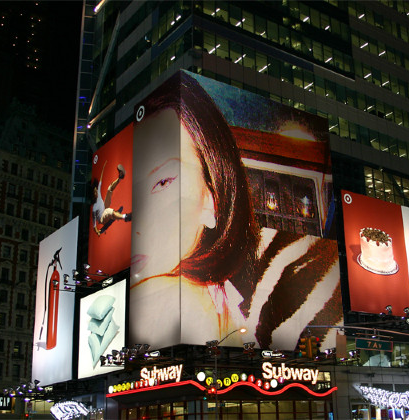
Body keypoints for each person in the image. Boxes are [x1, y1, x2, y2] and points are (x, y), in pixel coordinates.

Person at [129, 71, 341, 350]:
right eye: (129, 195)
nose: (134, 220)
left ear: (212, 200)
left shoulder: (292, 268)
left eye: (162, 182)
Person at [91, 161, 131, 236]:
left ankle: (120, 178)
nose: (97, 192)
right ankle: (125, 217)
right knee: (109, 211)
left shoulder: (98, 192)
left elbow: (100, 180)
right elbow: (94, 225)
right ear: (93, 195)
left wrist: (103, 167)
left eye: (96, 191)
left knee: (109, 189)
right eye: (95, 192)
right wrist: (98, 232)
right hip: (102, 218)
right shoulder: (94, 208)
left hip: (104, 207)